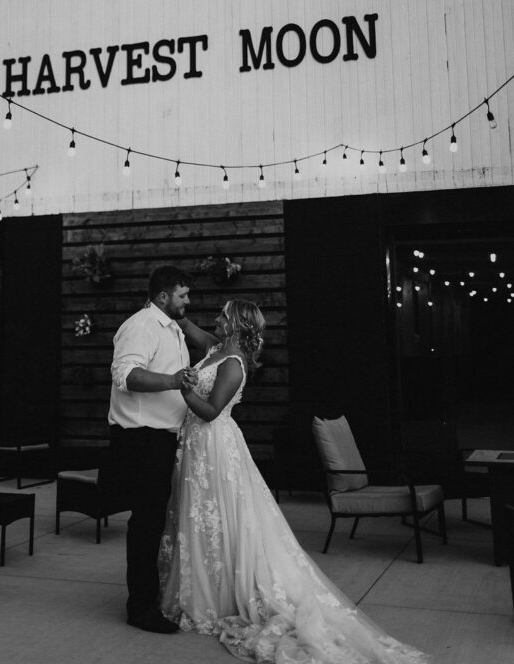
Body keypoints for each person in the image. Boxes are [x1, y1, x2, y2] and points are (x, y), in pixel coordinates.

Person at [159, 299, 430, 664]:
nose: (217, 320)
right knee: (200, 518)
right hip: (194, 447)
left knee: (221, 516)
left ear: (237, 325)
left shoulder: (233, 365)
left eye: (223, 316)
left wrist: (182, 387)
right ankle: (205, 588)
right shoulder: (215, 348)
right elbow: (190, 328)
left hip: (213, 445)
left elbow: (209, 412)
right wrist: (171, 308)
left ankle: (221, 596)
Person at [109, 263, 203, 634]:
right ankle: (140, 609)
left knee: (153, 523)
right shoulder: (141, 326)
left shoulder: (171, 328)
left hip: (161, 439)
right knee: (145, 524)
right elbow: (125, 375)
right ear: (163, 296)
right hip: (142, 440)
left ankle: (150, 598)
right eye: (183, 295)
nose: (188, 301)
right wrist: (173, 380)